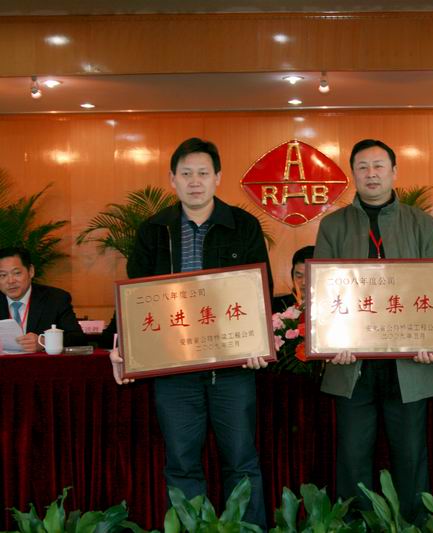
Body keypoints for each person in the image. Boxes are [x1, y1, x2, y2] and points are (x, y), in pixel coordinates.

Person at [109, 137, 272, 528]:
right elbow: (137, 297)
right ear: (172, 179)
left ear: (217, 177)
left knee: (241, 461)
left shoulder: (243, 225)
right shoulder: (153, 230)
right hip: (174, 370)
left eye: (202, 173)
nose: (194, 181)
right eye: (186, 174)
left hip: (232, 368)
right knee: (182, 463)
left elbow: (258, 291)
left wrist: (258, 342)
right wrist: (123, 347)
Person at [314, 139, 433, 522]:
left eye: (379, 166)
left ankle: (413, 528)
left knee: (411, 458)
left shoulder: (421, 223)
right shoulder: (333, 225)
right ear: (353, 173)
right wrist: (331, 341)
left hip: (410, 364)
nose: (371, 174)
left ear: (394, 172)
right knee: (353, 458)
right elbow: (324, 291)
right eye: (363, 167)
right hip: (352, 364)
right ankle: (354, 527)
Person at [0, 246, 85, 352]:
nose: (10, 281)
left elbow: (77, 338)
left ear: (31, 271)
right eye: (3, 275)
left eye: (17, 273)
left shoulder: (56, 299)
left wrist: (45, 342)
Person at [272, 245, 314, 312]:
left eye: (309, 277)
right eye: (299, 276)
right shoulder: (276, 306)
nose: (304, 282)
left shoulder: (330, 307)